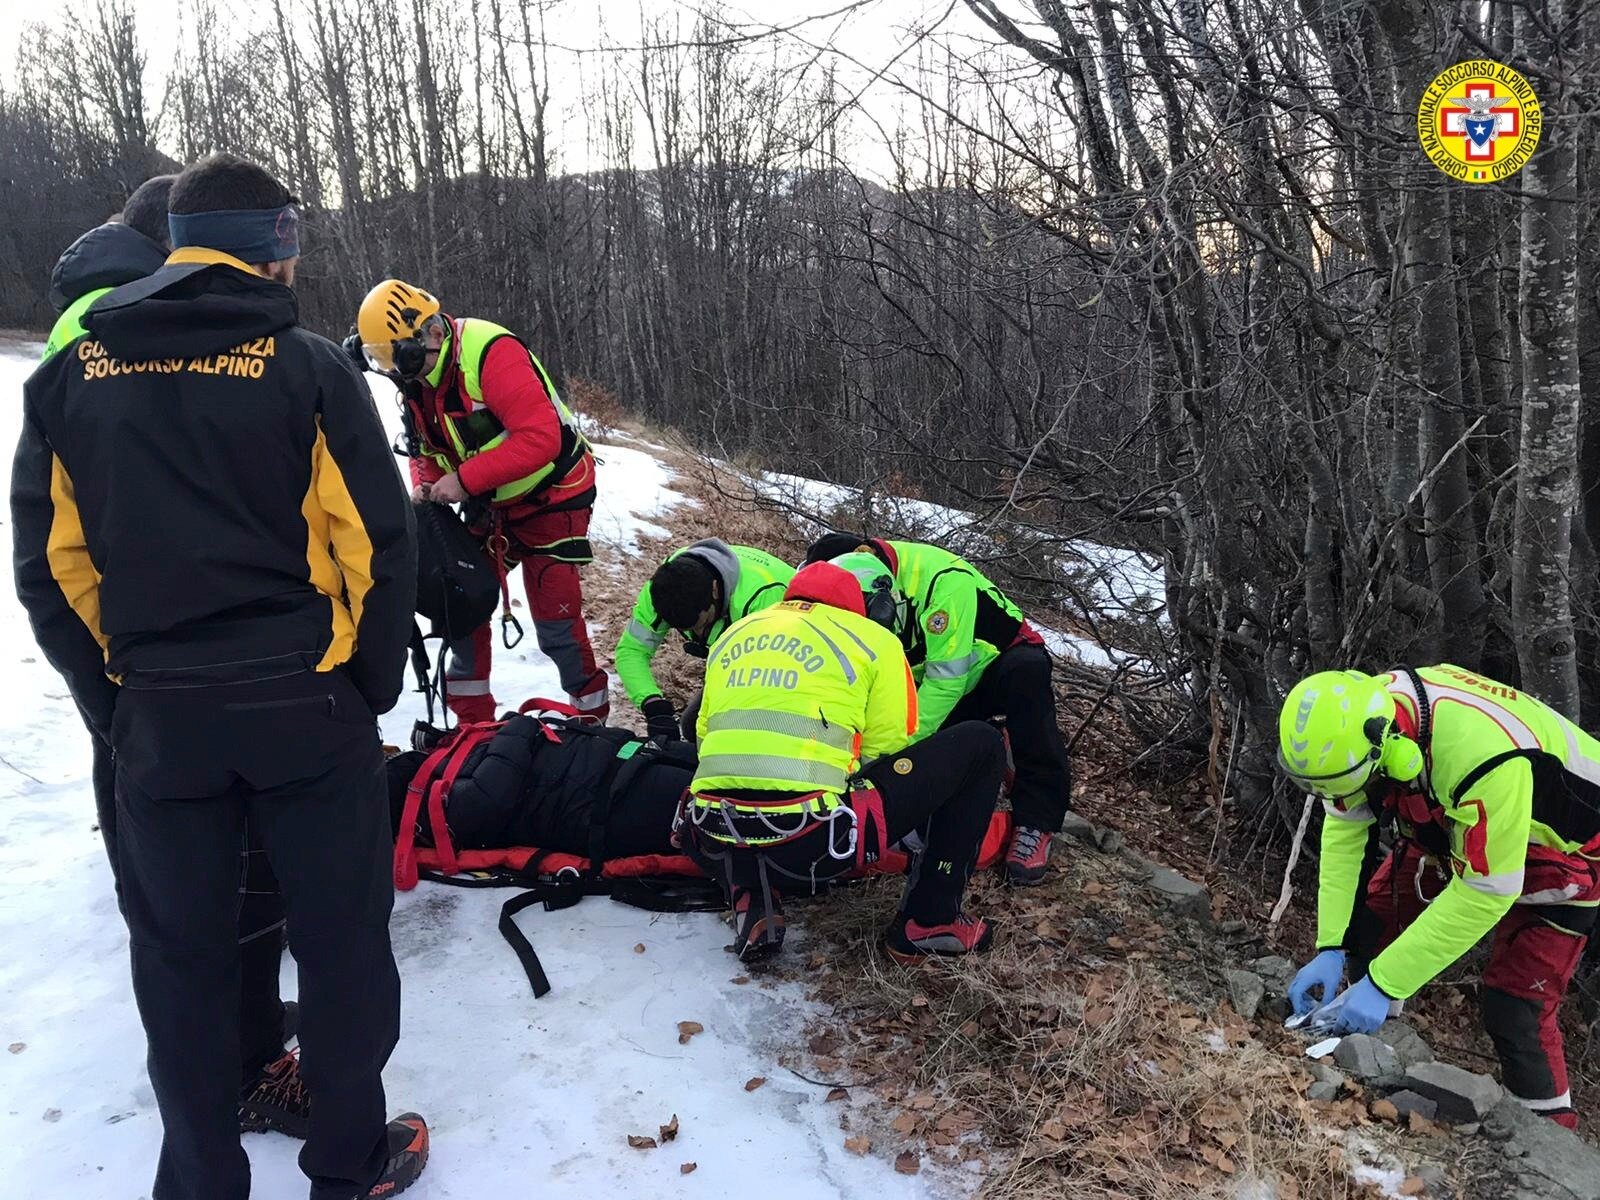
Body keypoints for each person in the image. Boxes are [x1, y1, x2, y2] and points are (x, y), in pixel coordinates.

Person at [14, 152, 427, 1199]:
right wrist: (363, 687)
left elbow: (52, 569)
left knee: (181, 965)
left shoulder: (69, 377)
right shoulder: (306, 369)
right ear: (276, 249)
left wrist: (120, 697)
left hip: (161, 715)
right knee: (338, 948)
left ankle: (200, 1182)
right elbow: (375, 549)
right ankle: (348, 1164)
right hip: (304, 700)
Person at [38, 172, 306, 1141]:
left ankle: (233, 1040)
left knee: (184, 880)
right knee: (218, 877)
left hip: (136, 674)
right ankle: (243, 1071)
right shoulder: (124, 343)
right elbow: (56, 550)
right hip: (164, 678)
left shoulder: (95, 329)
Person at [1278, 665, 1600, 1130]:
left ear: (1393, 751)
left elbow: (1485, 890)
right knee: (1370, 924)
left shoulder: (1480, 755)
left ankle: (1548, 1142)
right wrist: (1331, 945)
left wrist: (1386, 982)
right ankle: (1368, 1053)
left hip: (1570, 853)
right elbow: (1347, 831)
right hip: (1461, 826)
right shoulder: (1357, 722)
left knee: (1516, 1008)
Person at [682, 560, 1003, 962]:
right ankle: (929, 920)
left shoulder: (733, 634)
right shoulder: (875, 641)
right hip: (811, 841)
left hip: (712, 837)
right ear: (861, 605)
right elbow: (886, 749)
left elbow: (702, 737)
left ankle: (752, 895)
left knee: (739, 777)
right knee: (983, 744)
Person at [350, 279, 608, 724]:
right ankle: (474, 727)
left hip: (552, 498)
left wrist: (464, 481)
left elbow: (540, 438)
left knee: (556, 626)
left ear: (431, 334)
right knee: (462, 601)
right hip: (492, 506)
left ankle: (591, 719)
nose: (399, 376)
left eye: (403, 363)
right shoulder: (416, 381)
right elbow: (423, 449)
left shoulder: (490, 353)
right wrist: (426, 485)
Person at [806, 534, 1072, 886]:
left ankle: (1036, 821)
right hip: (927, 677)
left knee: (1027, 674)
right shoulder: (859, 591)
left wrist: (894, 749)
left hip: (990, 665)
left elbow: (946, 682)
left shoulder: (943, 582)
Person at [386, 714, 694, 859]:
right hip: (605, 799)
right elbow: (490, 794)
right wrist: (519, 728)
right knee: (717, 805)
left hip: (620, 757)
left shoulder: (447, 769)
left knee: (729, 763)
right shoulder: (437, 811)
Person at [615, 539, 794, 743]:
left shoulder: (765, 598)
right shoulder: (664, 585)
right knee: (693, 727)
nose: (699, 633)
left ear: (715, 590)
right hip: (734, 653)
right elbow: (631, 651)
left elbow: (767, 682)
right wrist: (653, 705)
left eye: (702, 623)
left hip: (788, 663)